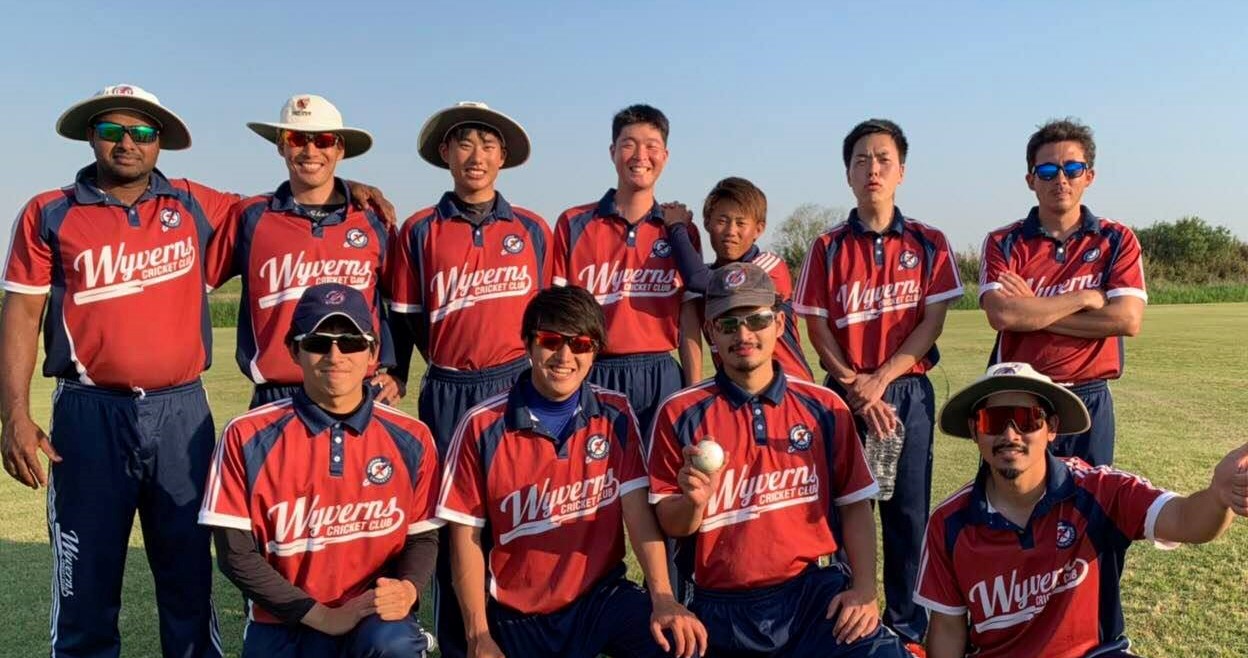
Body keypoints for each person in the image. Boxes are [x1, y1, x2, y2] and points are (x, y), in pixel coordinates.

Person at [0, 83, 394, 658]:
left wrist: (349, 188)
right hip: (89, 410)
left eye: (142, 131)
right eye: (112, 131)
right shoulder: (49, 212)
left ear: (160, 141)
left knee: (188, 576)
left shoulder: (195, 204)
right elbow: (20, 311)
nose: (128, 142)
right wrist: (13, 413)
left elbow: (299, 200)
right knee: (85, 583)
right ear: (90, 137)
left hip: (180, 410)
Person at [648, 262, 910, 658]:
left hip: (810, 597)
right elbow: (672, 523)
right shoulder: (679, 412)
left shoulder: (824, 407)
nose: (744, 335)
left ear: (780, 324)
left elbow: (855, 506)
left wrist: (864, 589)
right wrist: (693, 503)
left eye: (757, 320)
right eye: (728, 324)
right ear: (710, 332)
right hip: (720, 607)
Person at [436, 286, 706, 658]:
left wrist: (663, 597)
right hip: (518, 614)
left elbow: (637, 512)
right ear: (528, 343)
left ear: (595, 351)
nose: (565, 356)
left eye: (580, 344)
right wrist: (478, 635)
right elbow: (464, 539)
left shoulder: (615, 413)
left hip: (600, 599)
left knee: (680, 644)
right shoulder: (481, 426)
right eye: (551, 341)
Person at [916, 362, 1248, 658]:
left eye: (1027, 419)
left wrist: (1219, 496)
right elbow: (948, 629)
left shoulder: (1101, 490)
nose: (1010, 434)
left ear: (1051, 427)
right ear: (975, 431)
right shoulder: (948, 522)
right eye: (994, 421)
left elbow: (1186, 520)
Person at [386, 101, 552, 658]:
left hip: (517, 386)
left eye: (487, 144)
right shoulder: (419, 230)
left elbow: (549, 316)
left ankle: (520, 637)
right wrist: (417, 368)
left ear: (503, 157)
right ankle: (460, 642)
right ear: (445, 153)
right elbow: (406, 317)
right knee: (453, 521)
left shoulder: (533, 229)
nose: (475, 155)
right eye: (464, 143)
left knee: (518, 516)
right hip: (449, 389)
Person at [199, 283, 441, 658]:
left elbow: (422, 537)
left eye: (351, 342)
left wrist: (408, 588)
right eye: (318, 343)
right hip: (284, 620)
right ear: (293, 351)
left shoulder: (412, 437)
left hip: (371, 617)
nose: (335, 355)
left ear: (373, 352)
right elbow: (236, 555)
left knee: (394, 645)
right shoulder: (245, 435)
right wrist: (322, 616)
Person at [793, 119, 962, 653]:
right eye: (861, 160)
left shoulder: (929, 242)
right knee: (848, 509)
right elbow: (817, 325)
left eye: (883, 159)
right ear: (847, 174)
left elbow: (931, 323)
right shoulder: (826, 246)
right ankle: (850, 618)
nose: (873, 169)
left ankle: (907, 626)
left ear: (901, 171)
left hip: (907, 391)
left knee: (907, 514)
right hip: (844, 394)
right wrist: (854, 386)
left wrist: (881, 380)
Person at [205, 94, 402, 409]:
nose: (310, 151)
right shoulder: (250, 217)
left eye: (323, 141)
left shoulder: (373, 218)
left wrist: (398, 371)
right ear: (280, 145)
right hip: (277, 395)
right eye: (297, 139)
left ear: (340, 148)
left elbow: (402, 304)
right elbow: (193, 285)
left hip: (358, 389)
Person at [978, 118, 1147, 467]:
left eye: (1072, 169)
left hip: (1089, 396)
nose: (1061, 180)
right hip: (1020, 395)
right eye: (1048, 171)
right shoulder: (1003, 241)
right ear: (1030, 180)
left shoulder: (1116, 239)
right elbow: (1003, 314)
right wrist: (1082, 299)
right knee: (1012, 496)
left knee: (1089, 495)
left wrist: (1032, 310)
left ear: (1090, 176)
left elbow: (1127, 320)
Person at [551, 104, 702, 443]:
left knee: (662, 472)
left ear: (665, 155)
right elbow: (559, 319)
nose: (640, 156)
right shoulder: (573, 223)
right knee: (593, 471)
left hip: (660, 374)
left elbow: (688, 318)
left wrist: (693, 393)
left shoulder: (680, 230)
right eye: (629, 144)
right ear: (612, 152)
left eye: (651, 146)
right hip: (594, 370)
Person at [660, 176, 814, 382]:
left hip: (789, 386)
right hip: (735, 390)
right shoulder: (702, 280)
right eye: (722, 221)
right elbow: (689, 331)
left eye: (741, 223)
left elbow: (702, 280)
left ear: (759, 229)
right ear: (707, 222)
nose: (731, 231)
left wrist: (677, 227)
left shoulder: (768, 266)